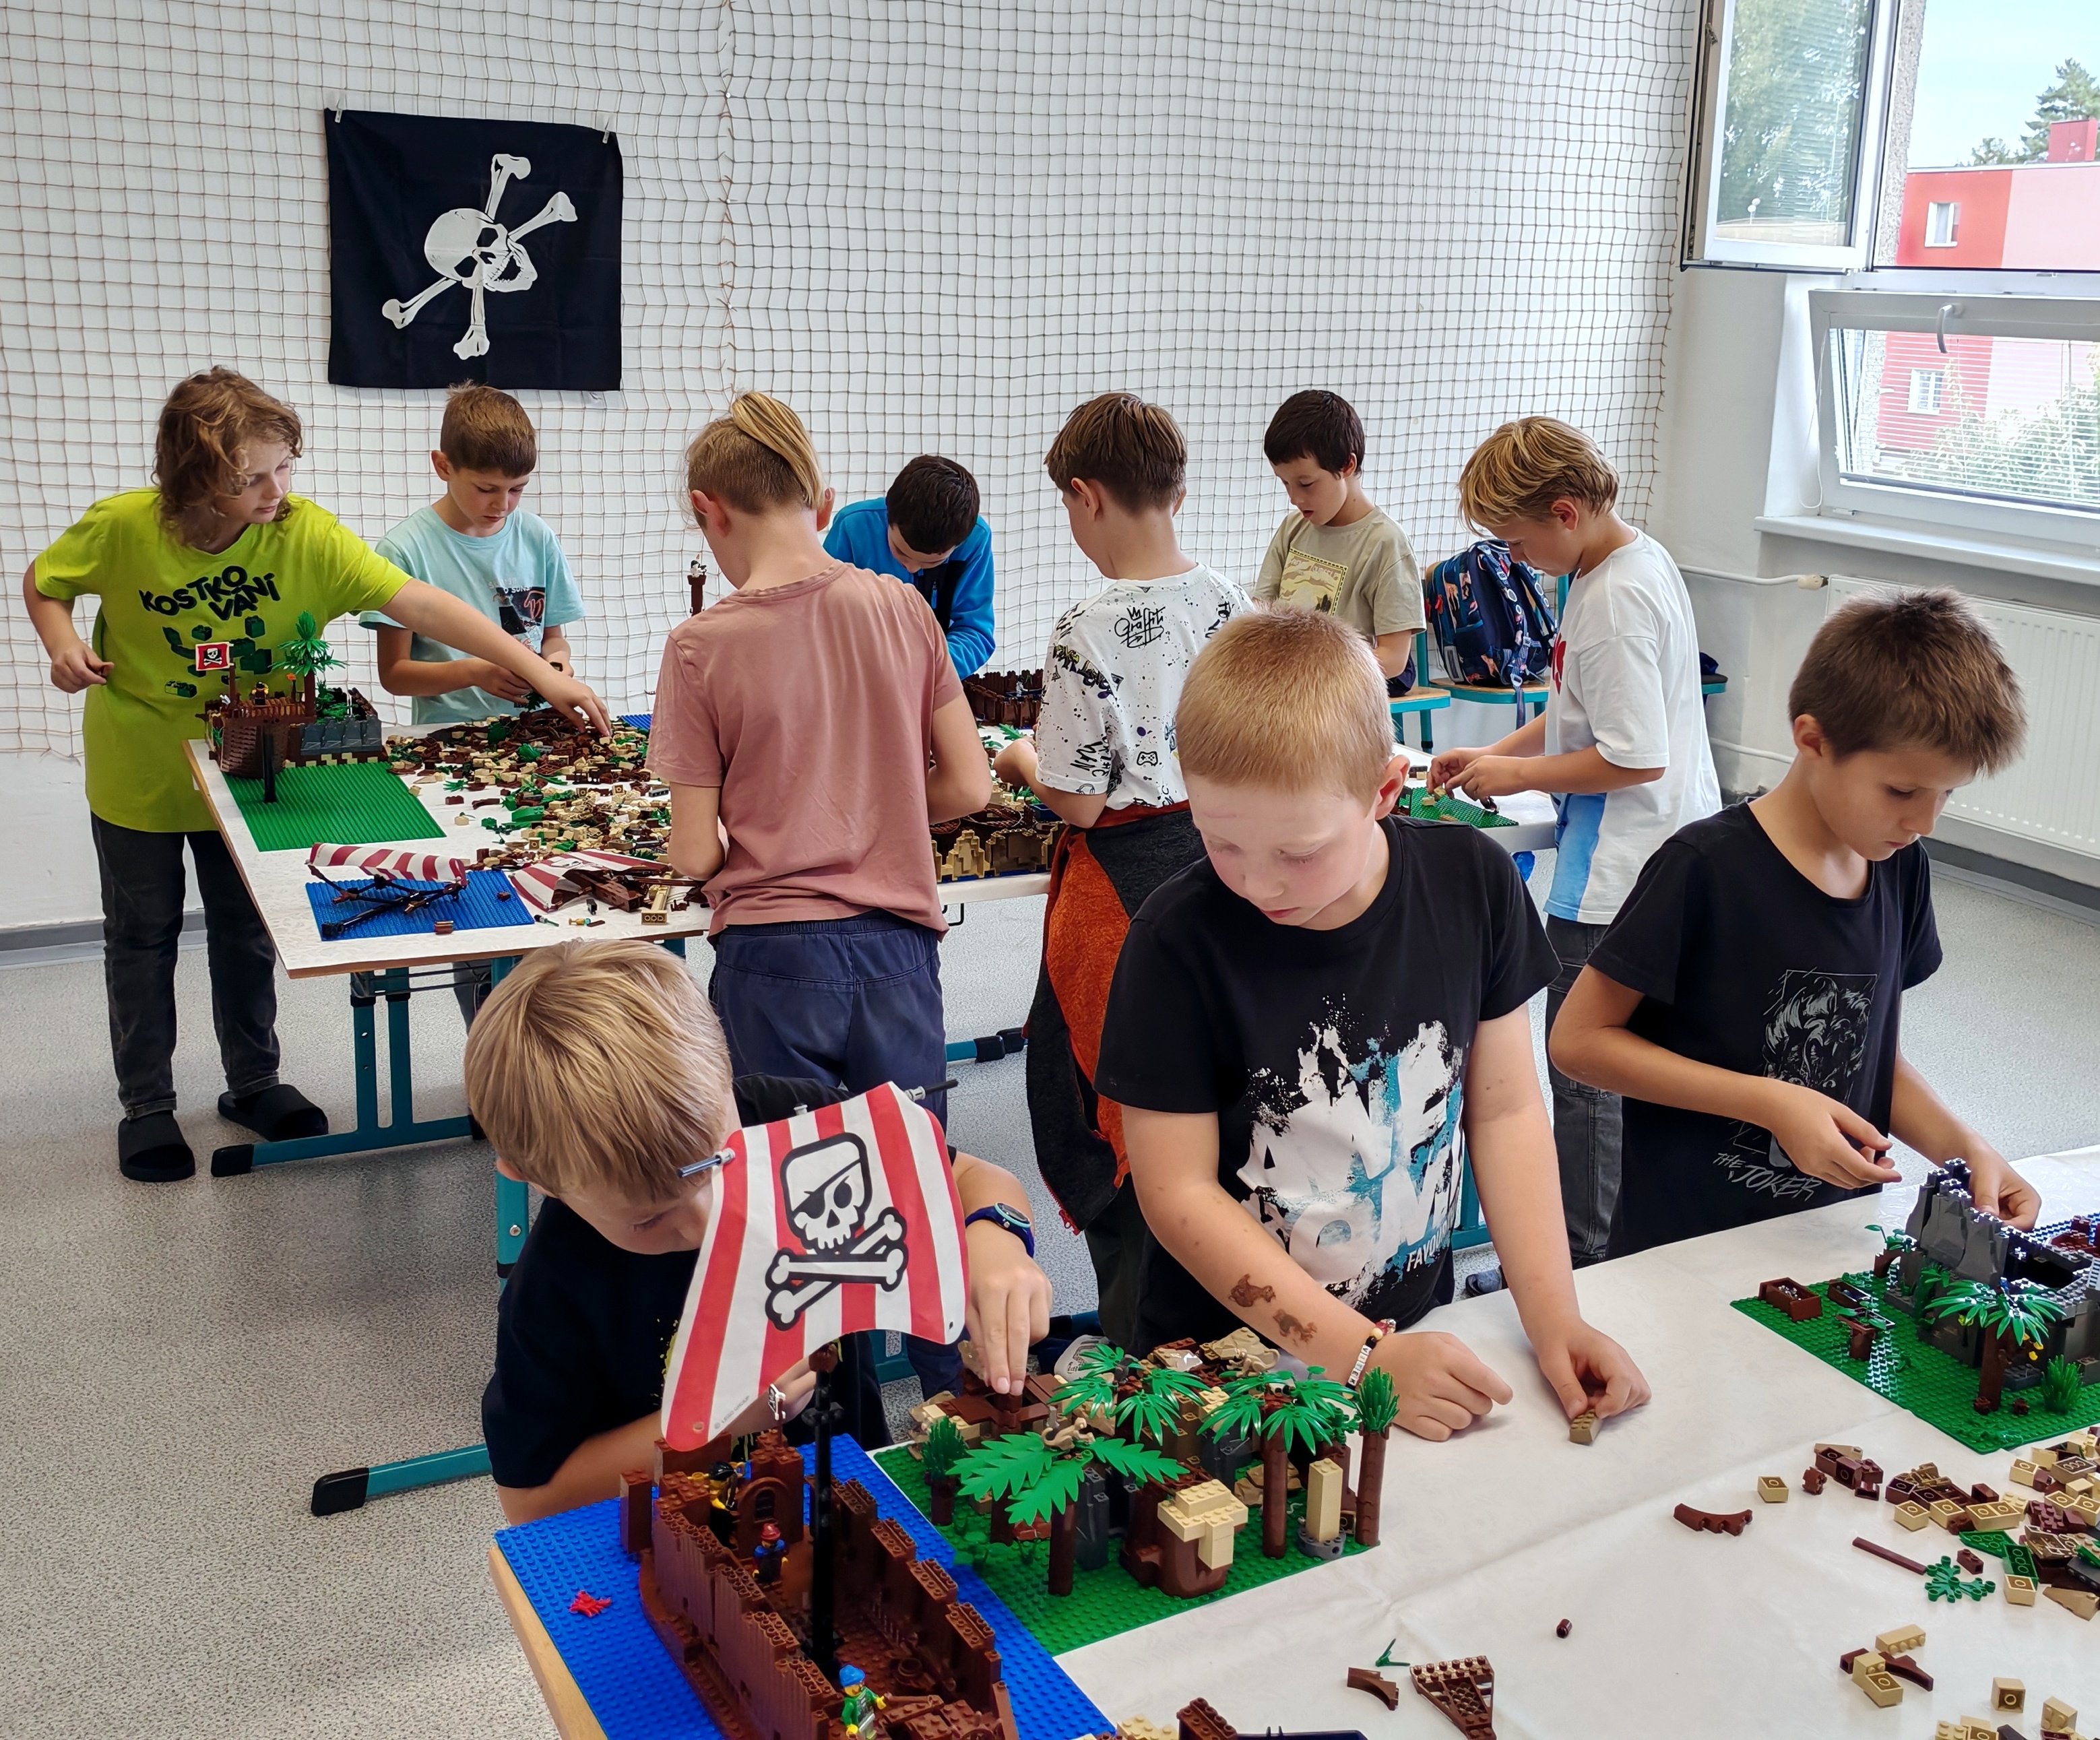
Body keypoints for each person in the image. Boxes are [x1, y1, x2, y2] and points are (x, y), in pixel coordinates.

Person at [22, 368, 608, 1184]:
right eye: (252, 479)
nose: (277, 491)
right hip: (139, 774)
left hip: (251, 771)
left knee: (244, 931)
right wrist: (62, 645)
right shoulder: (123, 527)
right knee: (142, 938)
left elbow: (422, 606)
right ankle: (147, 1104)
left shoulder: (306, 535)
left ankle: (253, 1083)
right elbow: (45, 583)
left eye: (284, 468)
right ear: (195, 478)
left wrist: (540, 670)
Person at [1095, 609, 1647, 1440]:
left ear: (1385, 792)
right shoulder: (1176, 941)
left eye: (1299, 852)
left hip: (1414, 1333)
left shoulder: (1474, 885)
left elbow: (1504, 1113)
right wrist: (1357, 1357)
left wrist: (1554, 1317)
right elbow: (1176, 1194)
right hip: (1229, 1372)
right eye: (1221, 843)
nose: (1259, 884)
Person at [651, 392, 992, 1396]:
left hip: (772, 961)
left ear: (709, 511)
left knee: (793, 1212)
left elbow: (692, 850)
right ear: (826, 502)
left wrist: (756, 834)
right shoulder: (902, 607)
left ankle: (831, 1432)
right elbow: (970, 787)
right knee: (916, 1185)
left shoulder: (701, 645)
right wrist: (877, 811)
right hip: (897, 954)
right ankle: (961, 1405)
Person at [472, 940, 1051, 1525]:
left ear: (725, 1064)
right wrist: (711, 1423)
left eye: (723, 1162)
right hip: (682, 1540)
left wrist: (996, 1235)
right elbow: (530, 1499)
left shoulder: (796, 1121)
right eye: (649, 1218)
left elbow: (976, 1178)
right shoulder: (553, 1285)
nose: (706, 1220)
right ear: (531, 1177)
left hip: (849, 1494)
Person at [1548, 589, 2039, 1257]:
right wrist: (1770, 1102)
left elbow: (1876, 1060)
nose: (1924, 821)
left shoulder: (1900, 866)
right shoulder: (1703, 868)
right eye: (1901, 791)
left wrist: (1966, 1149)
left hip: (1828, 1243)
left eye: (1946, 793)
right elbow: (1578, 1041)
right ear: (1813, 740)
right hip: (1685, 1249)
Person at [989, 392, 1251, 1350]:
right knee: (1215, 1073)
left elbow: (1080, 801)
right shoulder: (1230, 602)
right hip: (1228, 862)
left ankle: (1143, 1332)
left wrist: (1019, 760)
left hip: (1127, 881)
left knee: (1121, 1096)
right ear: (1175, 490)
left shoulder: (1085, 627)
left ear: (1086, 495)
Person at [1428, 417, 1720, 1268]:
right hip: (1647, 851)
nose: (1515, 560)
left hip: (1617, 874)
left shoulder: (1615, 602)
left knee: (1584, 1072)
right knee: (1618, 1067)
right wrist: (1496, 753)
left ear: (1564, 512)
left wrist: (1518, 776)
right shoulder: (1615, 563)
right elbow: (1577, 710)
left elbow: (1635, 756)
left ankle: (1586, 1260)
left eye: (1517, 541)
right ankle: (1606, 1241)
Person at [362, 383, 587, 1023]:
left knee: (554, 907)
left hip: (537, 747)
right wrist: (476, 672)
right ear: (443, 466)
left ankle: (554, 1048)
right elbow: (396, 676)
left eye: (517, 489)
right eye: (487, 488)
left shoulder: (535, 535)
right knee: (484, 912)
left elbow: (554, 637)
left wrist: (556, 666)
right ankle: (493, 1047)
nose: (502, 504)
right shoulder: (404, 550)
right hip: (451, 758)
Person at [1253, 390, 1424, 694]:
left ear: (1347, 466)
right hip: (1285, 692)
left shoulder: (1385, 544)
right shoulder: (1293, 529)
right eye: (1285, 483)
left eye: (1306, 483)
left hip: (1341, 699)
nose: (1294, 498)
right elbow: (1258, 614)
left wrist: (1316, 675)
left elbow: (1394, 659)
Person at [823, 455, 996, 678]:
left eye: (932, 563)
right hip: (857, 677)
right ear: (889, 515)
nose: (912, 568)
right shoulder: (852, 527)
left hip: (932, 680)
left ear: (960, 544)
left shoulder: (976, 540)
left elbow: (976, 632)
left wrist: (923, 670)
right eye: (901, 552)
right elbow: (822, 615)